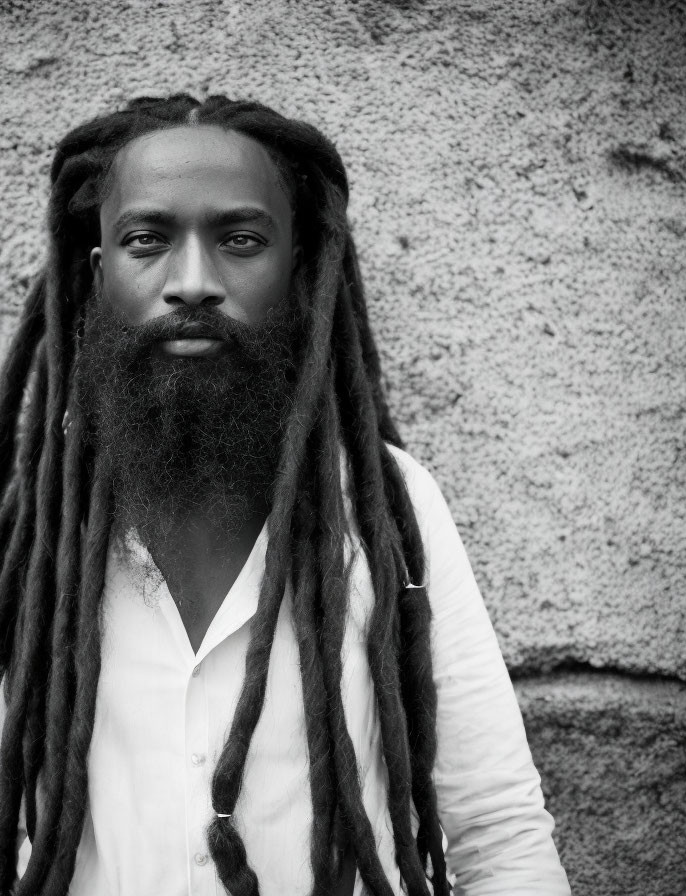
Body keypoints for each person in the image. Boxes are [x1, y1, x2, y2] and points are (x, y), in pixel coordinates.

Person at [0, 94, 570, 896]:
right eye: (146, 240)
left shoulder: (389, 513)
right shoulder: (24, 531)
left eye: (239, 240)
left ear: (299, 271)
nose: (191, 282)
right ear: (100, 277)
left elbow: (497, 832)